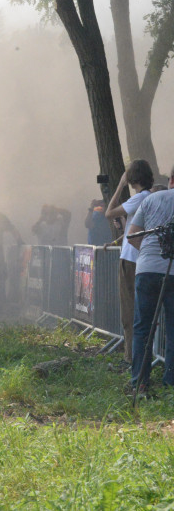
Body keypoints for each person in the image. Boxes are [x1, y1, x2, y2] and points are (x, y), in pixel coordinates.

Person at [125, 165, 174, 393]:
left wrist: (148, 253)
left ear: (171, 180)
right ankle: (170, 383)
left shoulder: (151, 200)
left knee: (143, 328)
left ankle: (140, 383)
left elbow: (132, 235)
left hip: (146, 270)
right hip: (172, 271)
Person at [106, 160, 156, 365]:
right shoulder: (150, 198)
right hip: (141, 259)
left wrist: (119, 186)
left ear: (133, 178)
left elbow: (109, 212)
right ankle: (137, 355)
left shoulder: (140, 198)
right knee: (140, 311)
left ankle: (131, 358)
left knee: (129, 311)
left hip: (130, 260)